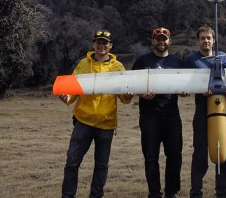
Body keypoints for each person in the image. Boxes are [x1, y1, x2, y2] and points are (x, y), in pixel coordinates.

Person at [59, 29, 133, 198]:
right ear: (93, 44)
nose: (101, 46)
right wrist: (67, 97)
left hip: (106, 124)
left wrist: (128, 96)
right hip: (83, 121)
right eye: (98, 42)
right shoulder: (83, 64)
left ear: (110, 46)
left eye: (105, 43)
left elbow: (124, 97)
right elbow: (72, 90)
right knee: (72, 162)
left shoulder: (118, 67)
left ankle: (96, 195)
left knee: (101, 165)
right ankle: (67, 195)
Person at [132, 27, 186, 198]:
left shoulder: (177, 61)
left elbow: (184, 83)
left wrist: (184, 90)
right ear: (153, 41)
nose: (161, 42)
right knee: (150, 157)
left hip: (171, 115)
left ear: (170, 41)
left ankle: (172, 192)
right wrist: (141, 94)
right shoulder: (142, 61)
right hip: (149, 116)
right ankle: (154, 193)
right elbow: (132, 84)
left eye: (164, 39)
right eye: (158, 39)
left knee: (175, 155)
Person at [184, 25, 226, 198]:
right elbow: (185, 84)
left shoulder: (223, 57)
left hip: (222, 109)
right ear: (198, 41)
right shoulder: (191, 59)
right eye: (202, 38)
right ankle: (196, 192)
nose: (206, 41)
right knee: (200, 152)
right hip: (202, 110)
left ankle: (222, 191)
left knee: (223, 150)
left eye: (208, 38)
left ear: (214, 40)